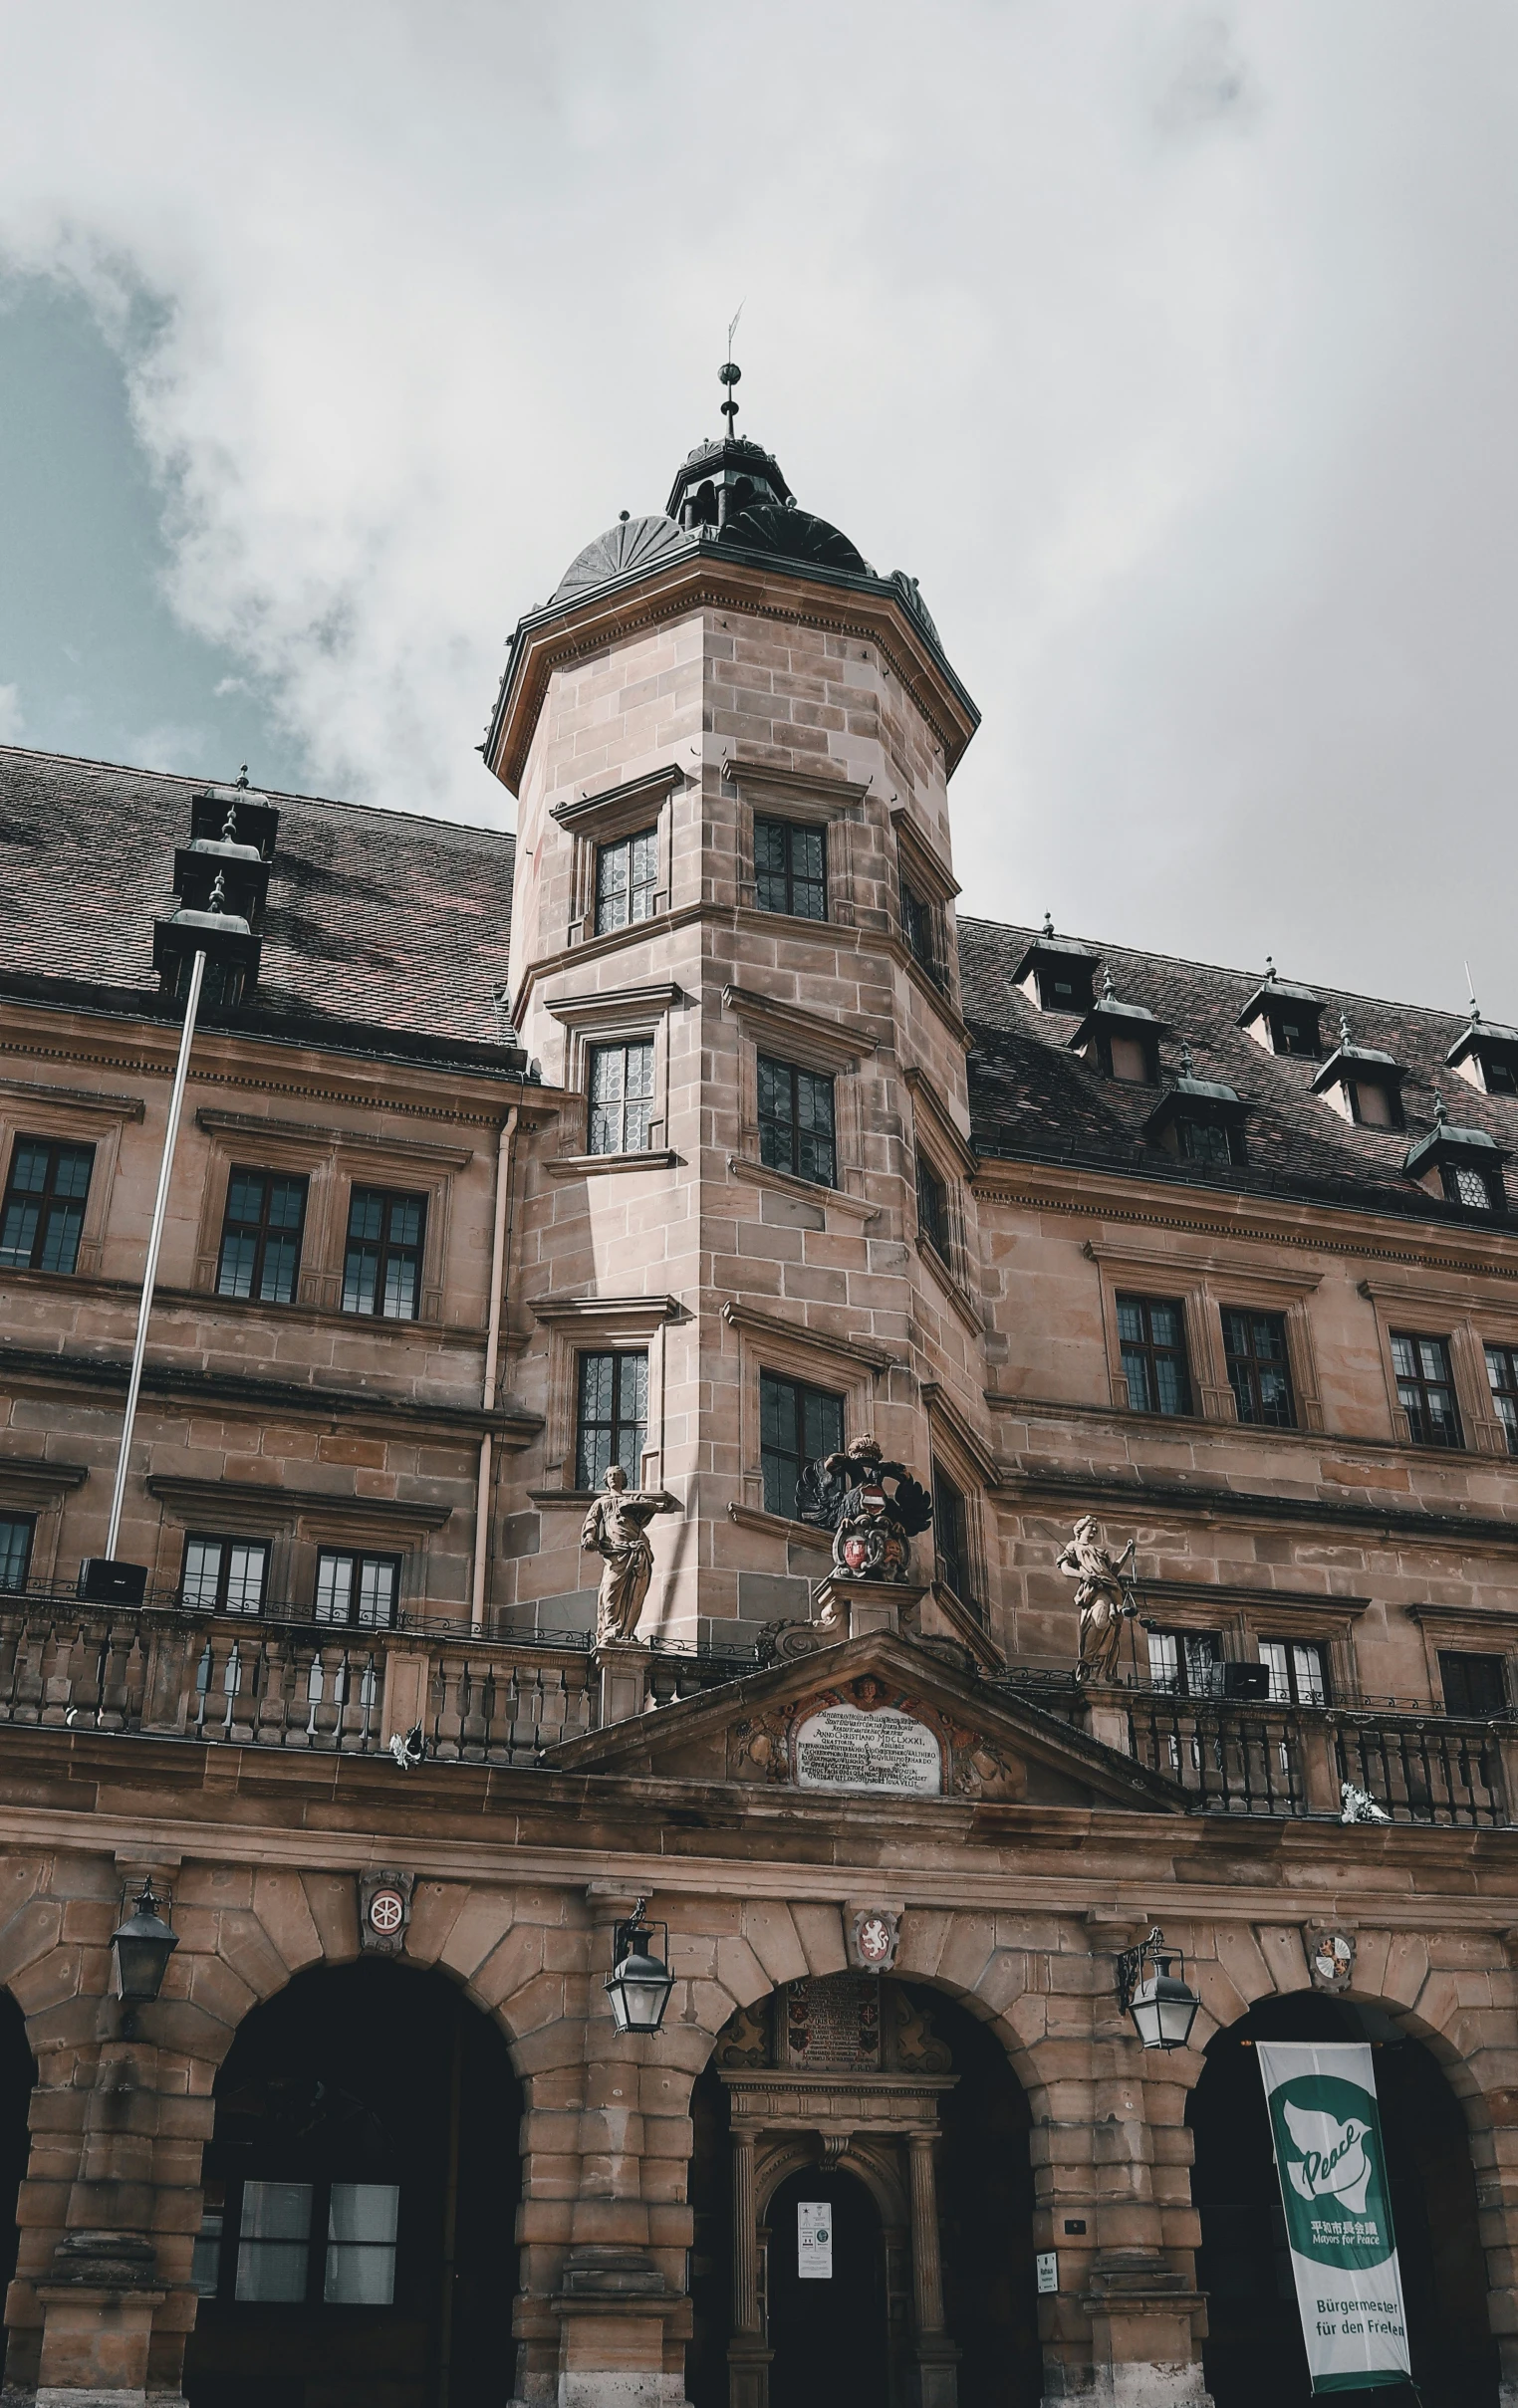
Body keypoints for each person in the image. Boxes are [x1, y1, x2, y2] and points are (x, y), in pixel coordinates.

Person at [579, 1464, 678, 1645]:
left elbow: (652, 1506)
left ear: (624, 1480)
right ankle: (609, 1630)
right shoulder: (601, 1502)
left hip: (638, 1551)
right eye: (611, 1476)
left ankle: (626, 1632)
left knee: (635, 1594)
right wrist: (589, 1538)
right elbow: (591, 1523)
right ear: (606, 1481)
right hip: (616, 1552)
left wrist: (632, 1504)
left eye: (618, 1475)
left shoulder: (633, 1499)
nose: (615, 1478)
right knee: (610, 1591)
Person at [1057, 1515, 1138, 1684]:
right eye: (1090, 1526)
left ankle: (1102, 1672)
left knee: (1113, 1630)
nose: (1093, 1530)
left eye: (1095, 1528)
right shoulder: (1074, 1546)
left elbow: (1113, 1569)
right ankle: (1088, 1666)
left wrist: (1127, 1552)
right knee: (1100, 1623)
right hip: (1096, 1590)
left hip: (1112, 1589)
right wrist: (1083, 1575)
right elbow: (1064, 1567)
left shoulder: (1100, 1552)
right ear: (1081, 1528)